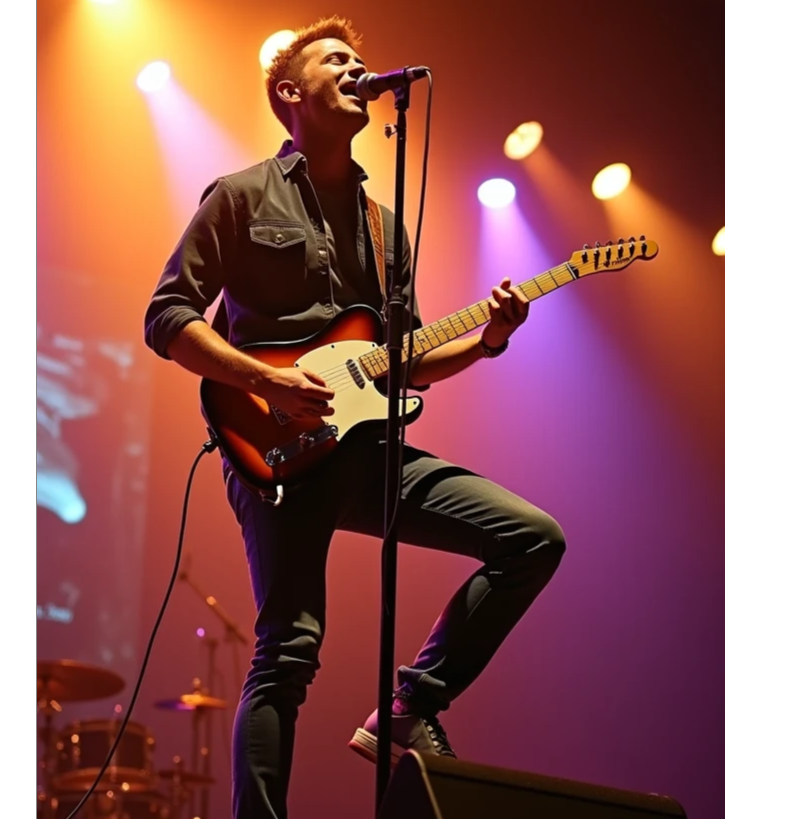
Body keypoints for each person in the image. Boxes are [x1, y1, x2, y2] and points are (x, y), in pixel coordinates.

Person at [143, 15, 566, 819]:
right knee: (288, 651)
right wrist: (266, 381)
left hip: (369, 449)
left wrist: (488, 340)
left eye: (359, 60)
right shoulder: (240, 194)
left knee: (531, 537)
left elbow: (405, 360)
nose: (355, 68)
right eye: (335, 59)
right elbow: (167, 316)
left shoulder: (384, 224)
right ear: (289, 92)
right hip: (274, 447)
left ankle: (409, 703)